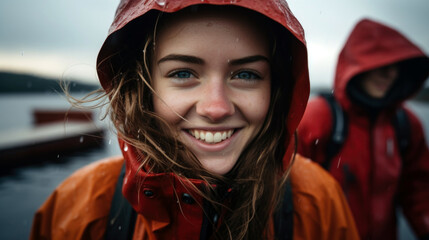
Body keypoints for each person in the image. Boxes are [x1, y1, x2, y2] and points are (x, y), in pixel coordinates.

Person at [30, 0, 359, 239]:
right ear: (142, 87)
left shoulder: (317, 204)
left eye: (245, 74)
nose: (216, 108)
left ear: (277, 89)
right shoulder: (79, 209)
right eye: (183, 73)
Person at [297, 18, 429, 240]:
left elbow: (418, 190)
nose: (390, 74)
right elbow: (284, 192)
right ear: (357, 66)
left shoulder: (406, 124)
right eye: (382, 65)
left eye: (397, 67)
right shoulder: (317, 118)